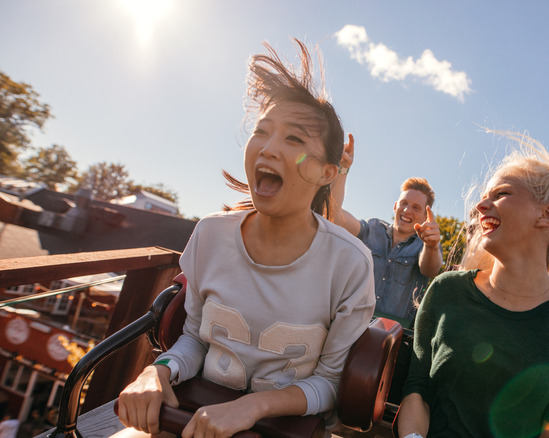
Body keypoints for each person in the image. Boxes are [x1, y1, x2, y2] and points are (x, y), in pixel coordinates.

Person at [113, 39, 375, 438]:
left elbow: (329, 384)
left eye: (294, 140)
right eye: (262, 132)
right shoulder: (210, 234)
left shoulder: (350, 264)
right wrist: (156, 372)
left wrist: (252, 407)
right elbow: (195, 340)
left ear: (327, 173)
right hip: (190, 418)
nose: (268, 148)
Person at [397, 132, 549, 438]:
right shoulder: (445, 290)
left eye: (501, 194)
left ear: (546, 215)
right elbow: (417, 390)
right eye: (484, 196)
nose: (481, 205)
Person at [330, 136, 443, 328]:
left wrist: (432, 246)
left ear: (425, 216)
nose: (407, 210)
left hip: (393, 336)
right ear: (395, 206)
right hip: (348, 323)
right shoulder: (372, 228)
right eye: (404, 203)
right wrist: (342, 170)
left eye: (416, 208)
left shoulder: (424, 246)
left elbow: (430, 270)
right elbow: (335, 216)